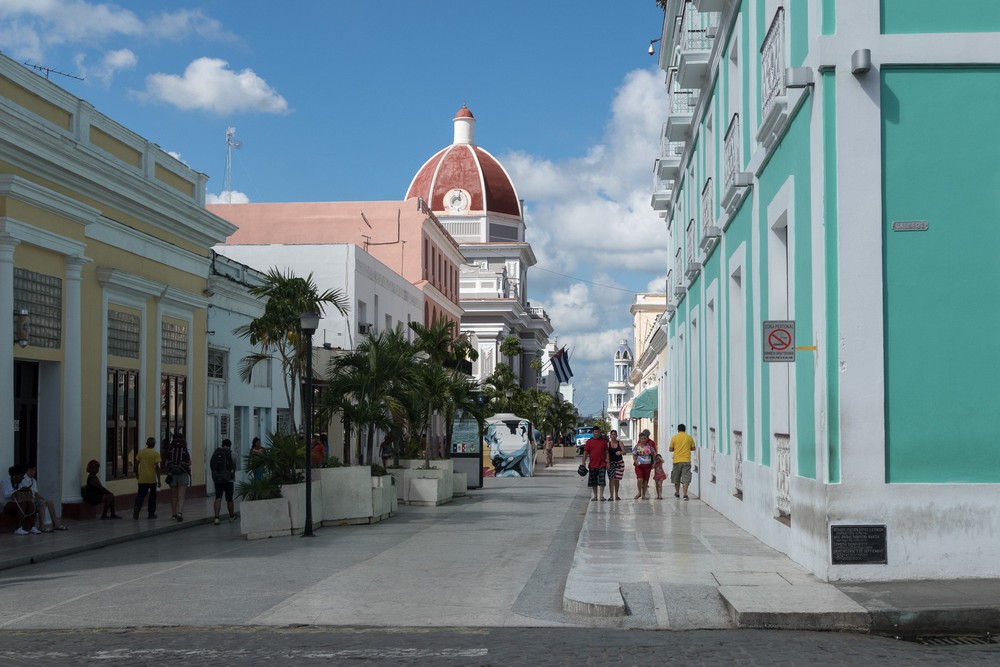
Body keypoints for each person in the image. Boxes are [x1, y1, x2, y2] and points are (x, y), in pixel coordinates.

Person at [20, 464, 68, 532]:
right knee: (42, 503)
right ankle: (42, 527)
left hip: (34, 500)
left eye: (34, 470)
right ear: (26, 471)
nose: (32, 472)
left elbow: (36, 493)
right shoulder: (22, 480)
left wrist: (44, 499)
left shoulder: (33, 480)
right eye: (30, 470)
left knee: (49, 502)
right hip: (28, 501)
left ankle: (55, 524)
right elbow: (24, 493)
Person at [163, 432, 192, 522]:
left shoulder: (171, 449)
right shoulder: (184, 448)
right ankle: (180, 513)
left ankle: (173, 514)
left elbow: (166, 463)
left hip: (172, 475)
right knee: (181, 496)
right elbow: (189, 462)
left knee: (174, 496)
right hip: (182, 474)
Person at [3, 465, 38, 534]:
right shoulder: (5, 482)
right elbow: (6, 495)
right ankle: (18, 528)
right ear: (15, 476)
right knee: (23, 504)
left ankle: (32, 527)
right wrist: (19, 490)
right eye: (21, 476)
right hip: (6, 504)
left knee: (30, 503)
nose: (22, 478)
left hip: (17, 502)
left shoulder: (19, 483)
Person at [210, 438, 237, 525]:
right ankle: (231, 516)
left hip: (218, 480)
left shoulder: (216, 453)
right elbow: (234, 466)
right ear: (230, 445)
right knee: (229, 499)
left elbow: (213, 465)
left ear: (222, 445)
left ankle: (216, 518)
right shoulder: (233, 454)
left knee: (218, 498)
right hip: (229, 480)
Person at [133, 437, 162, 519]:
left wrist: (137, 474)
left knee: (140, 495)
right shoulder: (155, 454)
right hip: (152, 479)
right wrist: (159, 480)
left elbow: (136, 464)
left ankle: (137, 507)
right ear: (154, 444)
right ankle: (151, 513)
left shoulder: (141, 452)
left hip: (142, 478)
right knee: (152, 497)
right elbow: (157, 468)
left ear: (146, 443)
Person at [669, 423, 696, 500]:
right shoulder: (689, 437)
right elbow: (693, 448)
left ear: (678, 430)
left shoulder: (674, 438)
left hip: (677, 460)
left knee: (676, 478)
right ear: (685, 429)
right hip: (686, 460)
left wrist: (676, 449)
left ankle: (677, 493)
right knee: (686, 478)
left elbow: (670, 449)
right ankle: (685, 495)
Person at [582, 426, 608, 501]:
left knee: (602, 481)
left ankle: (602, 496)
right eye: (595, 432)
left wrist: (608, 462)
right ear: (593, 432)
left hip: (602, 464)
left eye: (598, 432)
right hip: (592, 465)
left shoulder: (603, 442)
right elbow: (585, 452)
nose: (597, 433)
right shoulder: (589, 442)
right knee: (594, 482)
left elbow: (606, 452)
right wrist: (583, 462)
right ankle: (595, 496)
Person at [632, 429, 657, 500]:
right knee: (640, 479)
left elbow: (654, 454)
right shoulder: (637, 446)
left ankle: (643, 494)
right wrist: (635, 461)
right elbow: (634, 454)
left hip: (647, 465)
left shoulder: (649, 446)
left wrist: (654, 463)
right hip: (639, 466)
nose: (643, 440)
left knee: (646, 480)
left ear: (647, 438)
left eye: (644, 438)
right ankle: (639, 492)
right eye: (642, 438)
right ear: (639, 439)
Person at [606, 430, 625, 501]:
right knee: (611, 479)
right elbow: (606, 453)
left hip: (619, 463)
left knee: (617, 480)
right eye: (612, 434)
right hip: (611, 463)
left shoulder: (620, 443)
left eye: (614, 434)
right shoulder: (608, 444)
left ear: (616, 435)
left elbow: (624, 452)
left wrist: (620, 452)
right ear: (610, 436)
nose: (613, 436)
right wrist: (607, 463)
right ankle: (611, 496)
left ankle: (616, 495)